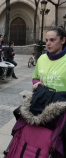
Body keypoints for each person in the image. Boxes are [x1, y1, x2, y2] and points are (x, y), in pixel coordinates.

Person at [32, 26, 66, 156]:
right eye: (46, 40)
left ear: (63, 40)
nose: (48, 43)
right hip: (42, 109)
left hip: (62, 113)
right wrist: (36, 84)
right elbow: (35, 78)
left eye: (52, 40)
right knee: (44, 146)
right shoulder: (41, 59)